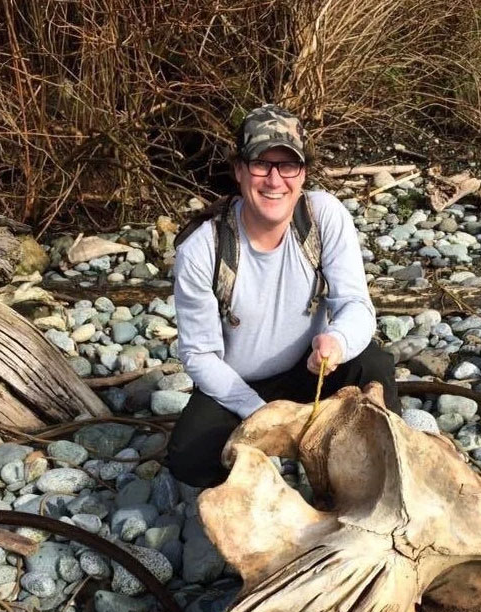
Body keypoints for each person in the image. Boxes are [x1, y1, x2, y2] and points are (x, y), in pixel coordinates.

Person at [166, 103, 399, 487]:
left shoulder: (325, 217)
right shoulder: (201, 249)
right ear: (239, 170)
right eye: (261, 164)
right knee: (189, 457)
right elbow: (199, 355)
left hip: (314, 369)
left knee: (373, 366)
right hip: (241, 388)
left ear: (303, 173)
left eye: (287, 165)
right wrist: (262, 413)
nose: (274, 180)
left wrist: (336, 342)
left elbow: (356, 305)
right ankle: (275, 479)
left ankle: (379, 474)